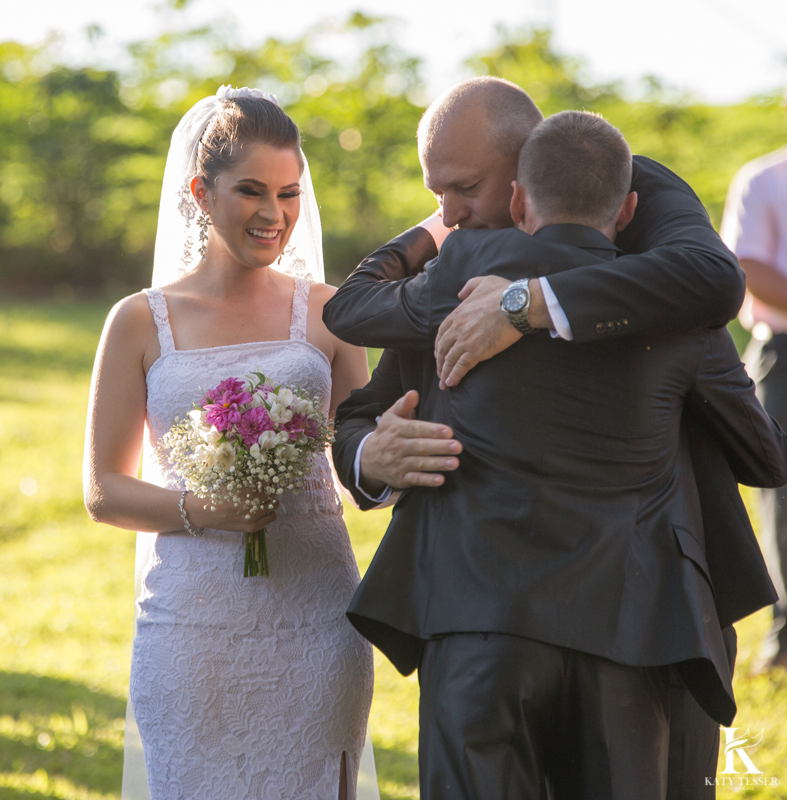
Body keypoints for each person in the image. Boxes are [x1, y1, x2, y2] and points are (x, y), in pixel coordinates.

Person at [324, 77, 774, 797]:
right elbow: (362, 406)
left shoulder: (653, 234)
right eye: (435, 194)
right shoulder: (458, 263)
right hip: (553, 608)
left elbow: (717, 281)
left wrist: (528, 302)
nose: (449, 212)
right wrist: (367, 457)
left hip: (637, 613)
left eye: (463, 188)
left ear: (524, 172)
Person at [83, 87, 376, 799]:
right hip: (191, 628)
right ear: (200, 192)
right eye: (250, 191)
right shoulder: (138, 323)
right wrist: (207, 509)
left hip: (316, 620)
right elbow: (103, 490)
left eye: (288, 193)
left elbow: (358, 455)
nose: (273, 215)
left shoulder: (330, 311)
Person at [720, 123, 787, 674]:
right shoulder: (765, 178)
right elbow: (748, 266)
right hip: (784, 349)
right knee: (783, 493)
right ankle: (786, 636)